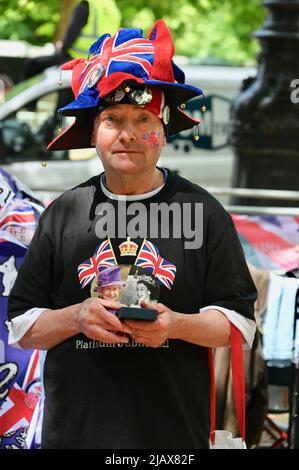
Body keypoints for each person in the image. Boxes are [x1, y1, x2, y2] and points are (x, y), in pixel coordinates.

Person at [7, 19, 257, 449]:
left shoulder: (204, 213)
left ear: (163, 131)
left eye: (143, 118)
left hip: (172, 440)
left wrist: (175, 325)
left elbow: (237, 324)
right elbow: (23, 326)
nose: (128, 134)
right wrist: (76, 317)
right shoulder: (63, 214)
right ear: (93, 132)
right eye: (113, 119)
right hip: (73, 437)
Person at [22, 0, 121, 80]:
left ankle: (27, 104)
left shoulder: (87, 4)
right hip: (100, 61)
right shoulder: (113, 9)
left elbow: (72, 32)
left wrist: (62, 48)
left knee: (33, 65)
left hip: (76, 57)